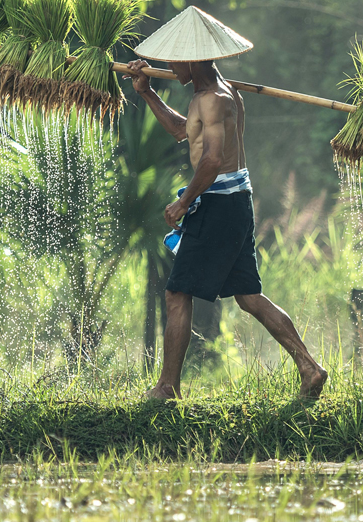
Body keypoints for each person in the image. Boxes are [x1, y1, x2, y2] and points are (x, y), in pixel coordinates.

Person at [123, 54, 328, 400]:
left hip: (218, 203)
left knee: (177, 293)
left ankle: (166, 388)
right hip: (236, 200)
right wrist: (146, 92)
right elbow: (181, 131)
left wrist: (183, 201)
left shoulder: (214, 99)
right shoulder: (224, 93)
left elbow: (213, 160)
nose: (171, 69)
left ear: (194, 60)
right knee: (248, 296)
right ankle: (310, 368)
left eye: (176, 62)